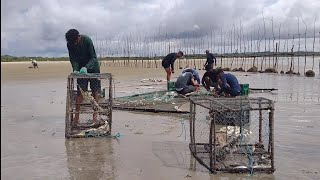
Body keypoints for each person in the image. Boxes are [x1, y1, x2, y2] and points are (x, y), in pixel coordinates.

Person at [65, 29, 101, 125]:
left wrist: (87, 67)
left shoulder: (87, 40)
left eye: (75, 42)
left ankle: (95, 117)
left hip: (93, 68)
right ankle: (76, 118)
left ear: (78, 37)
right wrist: (75, 69)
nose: (74, 44)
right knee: (80, 93)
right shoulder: (70, 44)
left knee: (95, 91)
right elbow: (73, 59)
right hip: (80, 70)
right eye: (72, 43)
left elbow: (93, 57)